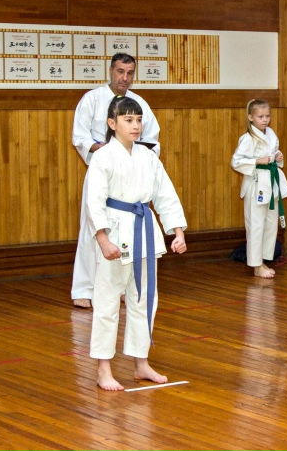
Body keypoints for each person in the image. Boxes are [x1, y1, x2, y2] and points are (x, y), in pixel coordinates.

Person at [85, 96, 187, 391]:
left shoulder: (148, 156)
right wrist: (103, 238)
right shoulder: (103, 157)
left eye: (139, 120)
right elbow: (94, 200)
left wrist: (177, 231)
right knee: (107, 302)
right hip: (115, 230)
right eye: (128, 120)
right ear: (112, 123)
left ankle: (141, 362)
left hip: (144, 229)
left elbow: (165, 193)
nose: (136, 125)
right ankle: (103, 368)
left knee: (144, 299)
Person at [70, 52, 161, 308]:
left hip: (129, 175)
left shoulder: (139, 103)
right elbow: (80, 136)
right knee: (93, 227)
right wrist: (103, 150)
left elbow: (152, 139)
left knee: (126, 230)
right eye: (120, 71)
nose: (125, 78)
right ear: (111, 71)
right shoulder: (92, 99)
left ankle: (121, 286)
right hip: (101, 170)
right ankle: (84, 288)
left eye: (130, 73)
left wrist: (135, 152)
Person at [230, 99, 287, 279]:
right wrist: (257, 161)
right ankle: (256, 265)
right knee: (256, 225)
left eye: (267, 116)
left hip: (271, 183)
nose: (265, 120)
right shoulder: (248, 138)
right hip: (256, 185)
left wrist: (278, 156)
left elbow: (274, 153)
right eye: (260, 116)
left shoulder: (270, 133)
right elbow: (236, 161)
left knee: (270, 225)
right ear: (251, 117)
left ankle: (263, 260)